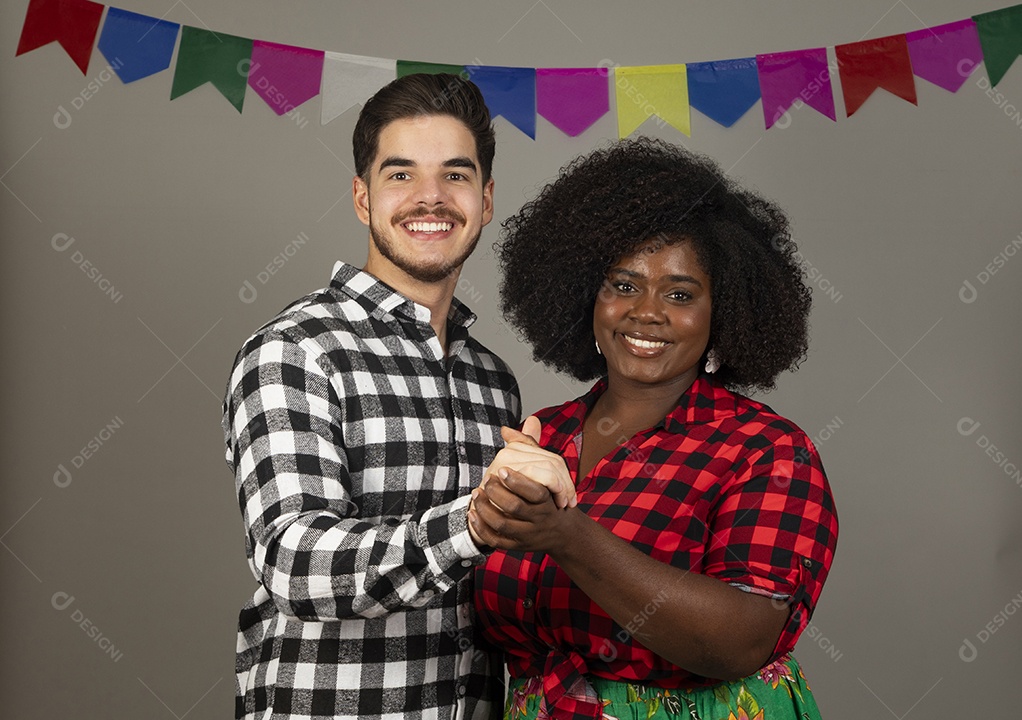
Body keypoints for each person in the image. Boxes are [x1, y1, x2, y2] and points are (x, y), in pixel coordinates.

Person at [222, 73, 571, 720]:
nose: (431, 198)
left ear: (487, 199)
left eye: (456, 176)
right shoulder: (296, 353)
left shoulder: (491, 379)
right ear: (362, 197)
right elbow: (296, 563)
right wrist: (472, 523)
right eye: (402, 175)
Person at [469, 138, 839, 720]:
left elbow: (740, 641)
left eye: (680, 294)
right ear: (585, 296)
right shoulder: (544, 435)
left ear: (725, 313)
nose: (647, 311)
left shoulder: (766, 451)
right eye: (623, 285)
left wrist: (566, 535)